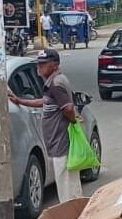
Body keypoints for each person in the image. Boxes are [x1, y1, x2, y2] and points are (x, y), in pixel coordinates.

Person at [7, 48, 82, 203]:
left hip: (61, 142)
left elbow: (68, 108)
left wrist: (73, 121)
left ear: (55, 65)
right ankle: (73, 211)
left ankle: (70, 212)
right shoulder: (53, 83)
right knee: (68, 183)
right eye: (38, 64)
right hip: (57, 142)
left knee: (66, 185)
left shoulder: (56, 84)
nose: (39, 68)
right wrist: (21, 101)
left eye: (43, 64)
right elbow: (46, 102)